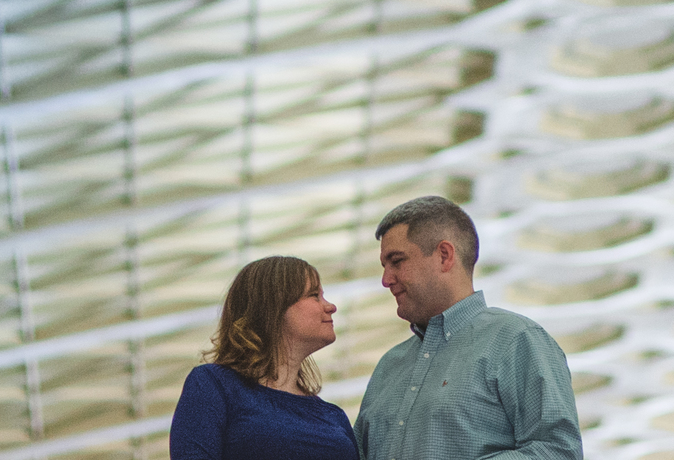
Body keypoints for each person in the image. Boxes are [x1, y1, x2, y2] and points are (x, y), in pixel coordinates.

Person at [354, 195, 582, 460]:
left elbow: (558, 451)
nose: (385, 280)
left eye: (397, 261)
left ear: (444, 255)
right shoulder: (388, 367)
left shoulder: (515, 341)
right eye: (384, 266)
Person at [170, 255, 357, 460]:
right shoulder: (214, 385)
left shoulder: (334, 417)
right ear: (273, 306)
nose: (331, 307)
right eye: (314, 295)